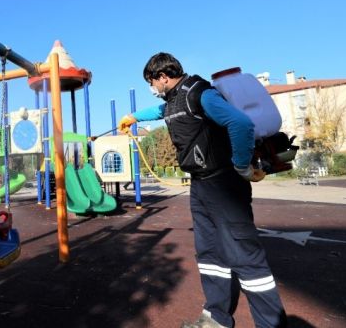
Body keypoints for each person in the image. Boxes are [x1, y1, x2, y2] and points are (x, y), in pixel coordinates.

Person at [118, 52, 286, 328]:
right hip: (200, 184)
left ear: (163, 77)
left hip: (224, 183)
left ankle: (271, 324)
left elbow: (240, 123)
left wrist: (241, 165)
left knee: (243, 254)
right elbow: (162, 112)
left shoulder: (200, 94)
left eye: (152, 82)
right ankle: (216, 318)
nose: (152, 87)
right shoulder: (174, 100)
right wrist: (133, 117)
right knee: (209, 253)